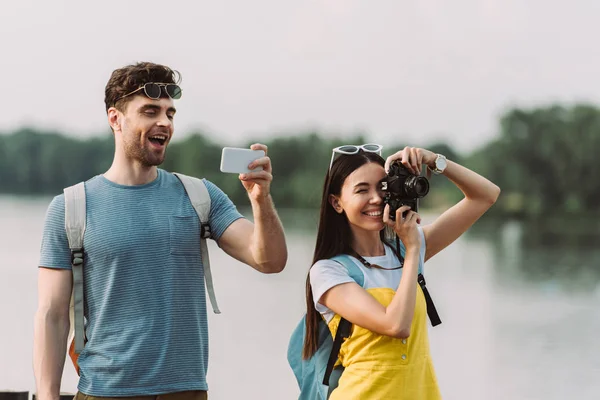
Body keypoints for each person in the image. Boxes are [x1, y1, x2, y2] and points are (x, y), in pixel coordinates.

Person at [33, 62, 288, 400]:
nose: (164, 123)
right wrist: (47, 396)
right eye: (150, 111)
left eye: (170, 113)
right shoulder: (70, 208)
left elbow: (269, 261)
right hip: (103, 392)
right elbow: (52, 316)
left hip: (186, 392)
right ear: (115, 119)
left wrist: (261, 200)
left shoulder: (200, 196)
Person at [303, 144, 500, 399]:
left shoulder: (407, 249)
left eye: (383, 187)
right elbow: (395, 325)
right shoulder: (329, 271)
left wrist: (435, 161)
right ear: (337, 202)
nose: (376, 198)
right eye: (362, 190)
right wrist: (413, 250)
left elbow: (486, 196)